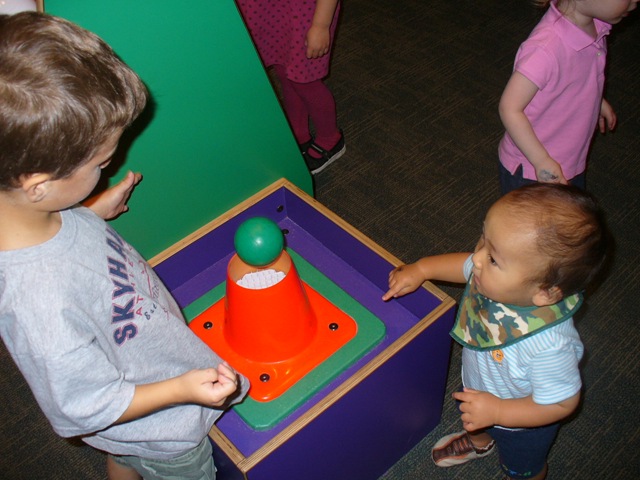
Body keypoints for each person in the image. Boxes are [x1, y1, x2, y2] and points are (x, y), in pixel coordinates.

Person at [0, 12, 249, 480]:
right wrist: (180, 391)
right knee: (150, 455)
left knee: (124, 453)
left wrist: (89, 215)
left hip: (138, 377)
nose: (109, 169)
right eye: (100, 163)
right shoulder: (39, 305)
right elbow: (84, 408)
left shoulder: (32, 212)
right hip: (160, 425)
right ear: (38, 184)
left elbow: (61, 252)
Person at [382, 183, 609, 480]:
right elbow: (463, 265)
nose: (477, 257)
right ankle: (480, 443)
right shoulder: (490, 275)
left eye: (493, 258)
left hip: (522, 420)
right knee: (474, 418)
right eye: (483, 239)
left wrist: (500, 412)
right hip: (480, 387)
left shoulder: (550, 346)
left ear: (545, 293)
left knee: (522, 466)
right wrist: (423, 269)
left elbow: (562, 403)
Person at [497, 0, 637, 195]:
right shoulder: (545, 49)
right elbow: (510, 108)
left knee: (570, 213)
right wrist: (541, 161)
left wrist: (595, 99)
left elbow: (575, 77)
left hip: (568, 159)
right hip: (535, 169)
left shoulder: (595, 27)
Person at [236, 0, 346, 175]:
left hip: (304, 14)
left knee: (305, 81)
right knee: (284, 71)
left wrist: (321, 25)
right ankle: (299, 133)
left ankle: (330, 139)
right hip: (270, 11)